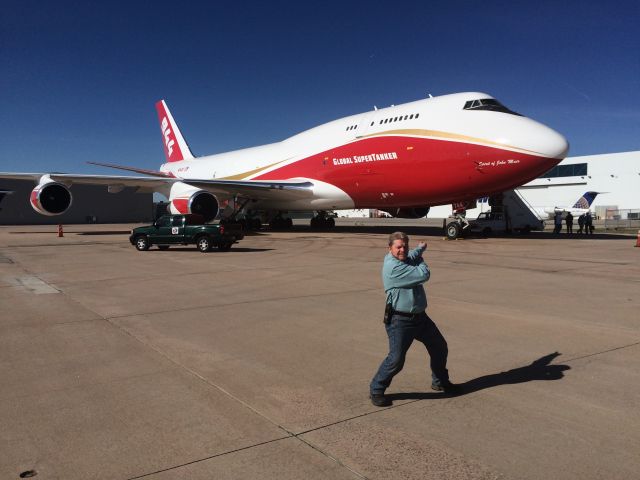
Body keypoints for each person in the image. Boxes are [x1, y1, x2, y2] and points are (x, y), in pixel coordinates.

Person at [370, 232, 458, 407]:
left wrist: (419, 249)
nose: (402, 250)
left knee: (439, 347)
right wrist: (420, 257)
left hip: (420, 318)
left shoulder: (404, 258)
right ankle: (376, 389)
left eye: (405, 246)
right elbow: (424, 274)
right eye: (398, 247)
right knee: (396, 360)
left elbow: (411, 255)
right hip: (400, 321)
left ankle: (440, 382)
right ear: (389, 248)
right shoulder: (393, 267)